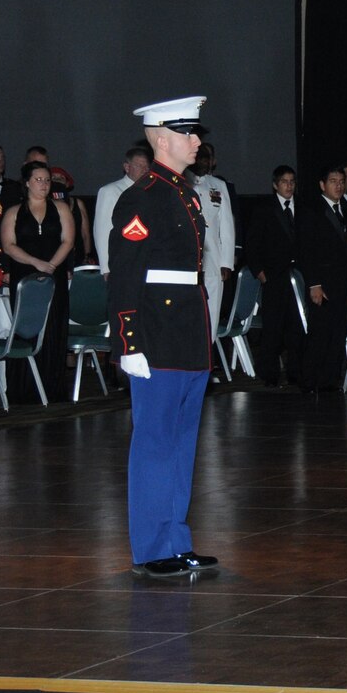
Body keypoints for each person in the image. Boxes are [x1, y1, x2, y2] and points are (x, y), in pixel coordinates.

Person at [110, 96, 220, 579]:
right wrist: (129, 342)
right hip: (156, 333)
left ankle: (175, 538)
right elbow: (126, 275)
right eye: (187, 133)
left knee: (182, 443)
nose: (197, 141)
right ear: (160, 139)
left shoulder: (184, 193)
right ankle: (153, 548)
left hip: (188, 333)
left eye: (195, 133)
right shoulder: (141, 198)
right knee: (155, 442)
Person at [0, 160, 76, 382]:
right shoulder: (14, 212)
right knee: (26, 326)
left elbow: (69, 240)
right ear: (27, 183)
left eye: (47, 180)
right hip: (24, 277)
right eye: (38, 179)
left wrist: (51, 265)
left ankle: (51, 384)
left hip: (54, 277)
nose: (44, 184)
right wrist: (36, 263)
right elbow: (8, 245)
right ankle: (24, 384)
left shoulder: (61, 208)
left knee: (53, 326)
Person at [245, 164, 306, 388]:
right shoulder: (264, 209)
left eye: (292, 182)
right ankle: (268, 372)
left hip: (297, 275)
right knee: (273, 326)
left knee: (297, 324)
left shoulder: (303, 207)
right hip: (273, 276)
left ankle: (296, 371)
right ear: (275, 185)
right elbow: (252, 242)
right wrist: (259, 272)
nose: (289, 186)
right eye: (284, 182)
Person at [295, 162, 347, 394]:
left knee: (337, 332)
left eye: (341, 182)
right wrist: (314, 283)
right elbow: (306, 250)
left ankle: (329, 380)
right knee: (320, 332)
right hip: (323, 281)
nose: (338, 186)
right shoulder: (312, 210)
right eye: (333, 182)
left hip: (343, 281)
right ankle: (309, 381)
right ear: (322, 185)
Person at [192, 142, 237, 341]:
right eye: (200, 157)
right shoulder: (180, 182)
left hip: (213, 258)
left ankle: (206, 359)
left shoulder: (218, 185)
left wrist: (226, 261)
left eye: (206, 157)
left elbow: (226, 224)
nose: (203, 161)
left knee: (212, 310)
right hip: (187, 256)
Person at [93, 145, 151, 275]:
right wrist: (106, 268)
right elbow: (102, 231)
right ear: (127, 167)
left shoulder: (152, 192)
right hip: (122, 261)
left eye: (147, 166)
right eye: (139, 166)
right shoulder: (110, 191)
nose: (144, 170)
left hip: (146, 261)